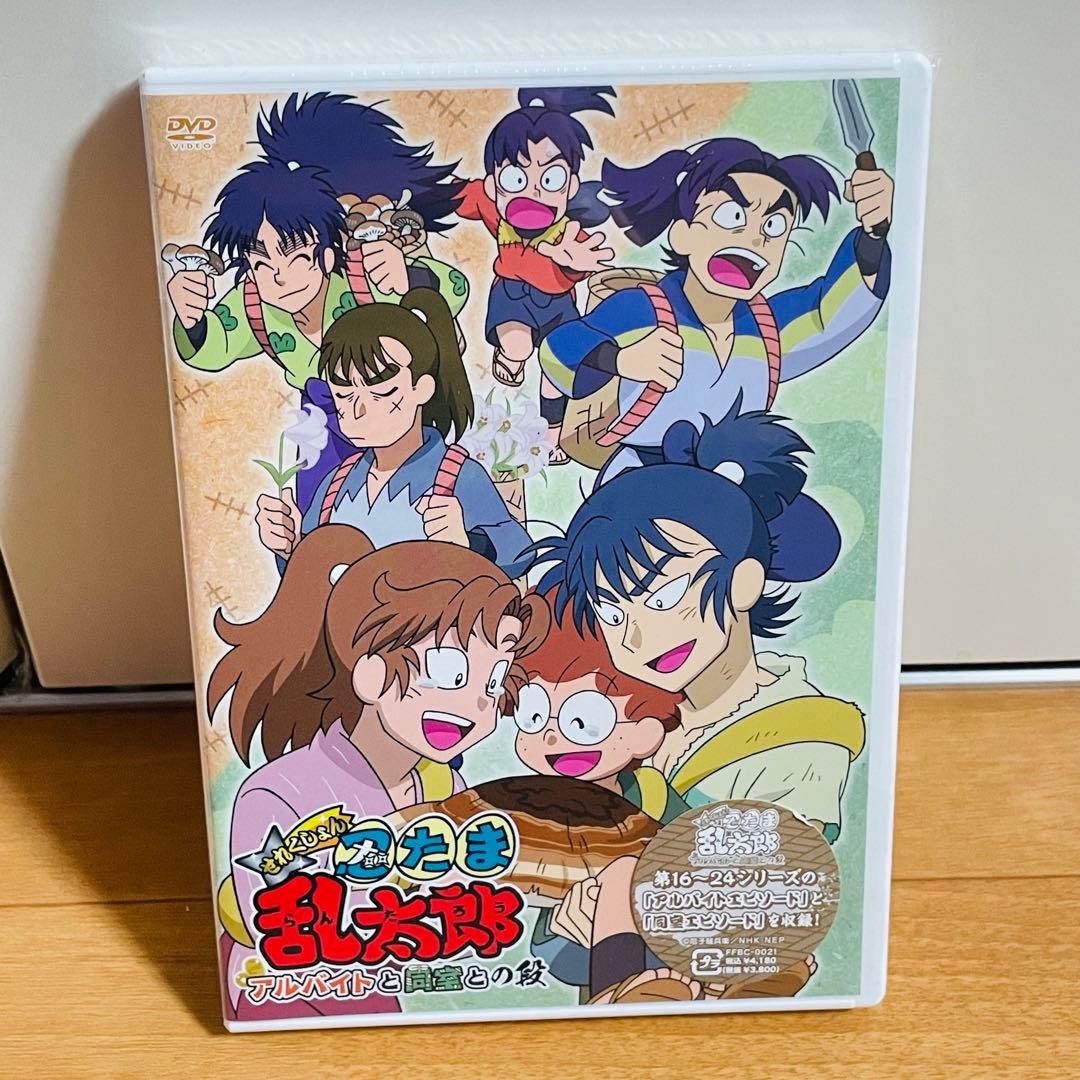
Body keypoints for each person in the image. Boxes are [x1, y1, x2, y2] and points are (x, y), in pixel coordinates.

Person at [207, 524, 550, 1021]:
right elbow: (280, 933)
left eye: (492, 681)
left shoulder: (443, 786)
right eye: (450, 672)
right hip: (291, 1001)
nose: (476, 703)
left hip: (403, 993)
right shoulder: (277, 793)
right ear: (369, 673)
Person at [533, 404, 864, 840]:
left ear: (744, 583)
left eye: (664, 597)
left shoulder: (801, 739)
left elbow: (773, 868)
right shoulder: (625, 710)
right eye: (612, 613)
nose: (635, 638)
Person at [164, 92, 470, 509]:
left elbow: (453, 289)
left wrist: (409, 277)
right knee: (320, 513)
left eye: (295, 256)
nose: (280, 275)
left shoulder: (362, 273)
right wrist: (191, 317)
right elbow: (213, 345)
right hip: (323, 424)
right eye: (262, 262)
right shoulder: (254, 303)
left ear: (324, 253)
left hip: (392, 409)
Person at [539, 137, 893, 482]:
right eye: (732, 215)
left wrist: (873, 236)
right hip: (642, 480)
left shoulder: (767, 328)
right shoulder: (643, 309)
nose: (754, 239)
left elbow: (826, 314)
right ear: (682, 235)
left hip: (732, 484)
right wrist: (620, 360)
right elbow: (558, 350)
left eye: (774, 227)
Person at [254, 288, 532, 578]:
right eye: (343, 395)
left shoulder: (457, 475)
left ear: (421, 388)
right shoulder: (337, 482)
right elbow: (314, 572)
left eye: (381, 392)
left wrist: (468, 543)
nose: (358, 409)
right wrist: (290, 547)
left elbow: (519, 553)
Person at [510, 605, 689, 997]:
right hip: (573, 947)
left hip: (672, 938)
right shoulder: (533, 811)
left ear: (645, 732)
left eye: (584, 720)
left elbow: (700, 853)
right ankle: (618, 991)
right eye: (534, 715)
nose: (551, 736)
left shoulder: (654, 796)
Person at [456, 87, 616, 461]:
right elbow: (459, 196)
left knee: (555, 373)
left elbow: (575, 264)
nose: (533, 192)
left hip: (559, 305)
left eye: (551, 178)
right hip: (511, 295)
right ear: (495, 184)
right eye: (516, 177)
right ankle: (510, 357)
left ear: (571, 186)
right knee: (518, 346)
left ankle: (552, 437)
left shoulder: (569, 233)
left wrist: (572, 263)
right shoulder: (492, 206)